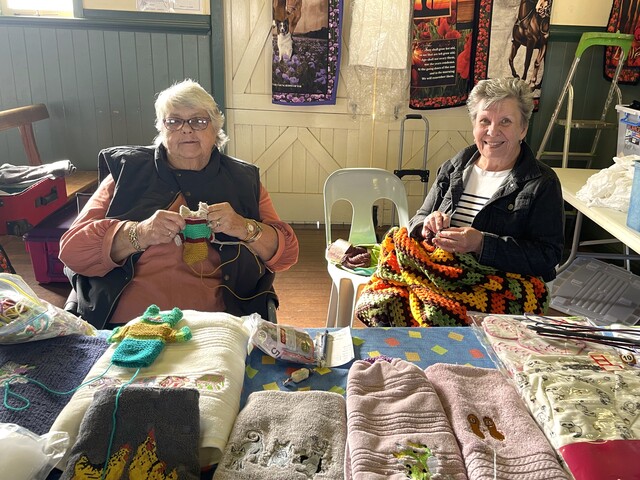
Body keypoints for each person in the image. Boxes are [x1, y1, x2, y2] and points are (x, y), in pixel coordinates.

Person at [59, 79, 299, 328]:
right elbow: (72, 251)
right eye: (174, 121)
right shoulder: (126, 172)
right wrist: (138, 233)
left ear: (215, 128)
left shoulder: (243, 180)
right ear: (161, 129)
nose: (186, 129)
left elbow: (286, 256)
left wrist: (244, 227)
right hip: (128, 324)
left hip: (216, 326)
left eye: (199, 121)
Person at [356, 77, 564, 327]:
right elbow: (418, 219)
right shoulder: (455, 167)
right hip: (440, 273)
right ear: (474, 125)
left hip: (496, 285)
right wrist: (427, 224)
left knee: (435, 315)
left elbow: (547, 256)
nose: (492, 131)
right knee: (381, 303)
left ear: (523, 129)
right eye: (484, 121)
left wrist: (481, 244)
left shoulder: (541, 182)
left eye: (505, 122)